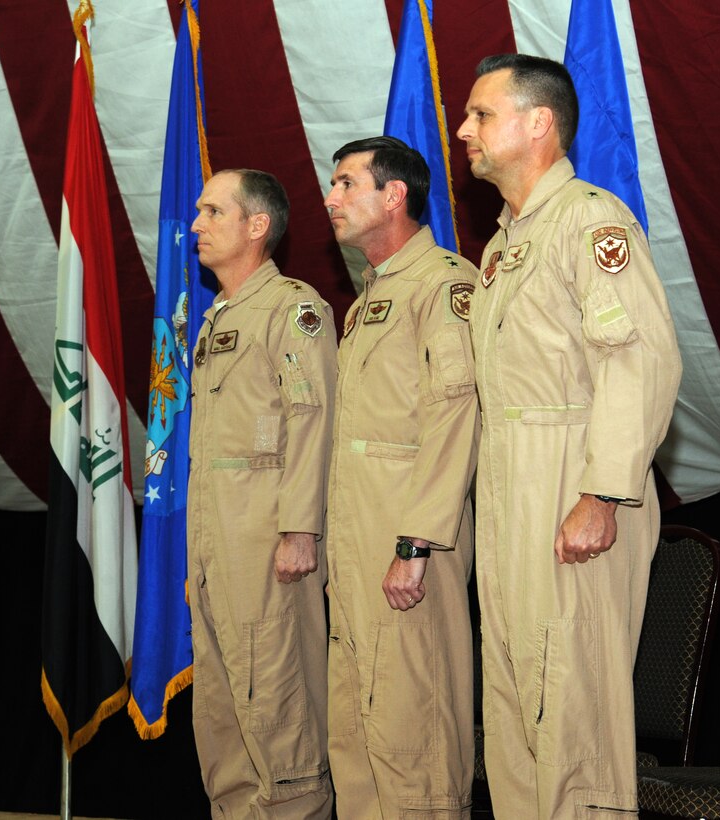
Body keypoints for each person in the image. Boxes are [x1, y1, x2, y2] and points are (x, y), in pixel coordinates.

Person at [456, 55, 682, 818]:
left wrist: (602, 492)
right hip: (510, 479)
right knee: (517, 704)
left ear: (538, 123)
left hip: (570, 476)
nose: (464, 130)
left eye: (482, 114)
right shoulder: (499, 249)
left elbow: (638, 361)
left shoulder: (591, 220)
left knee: (569, 699)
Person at [322, 136, 480, 819]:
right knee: (357, 732)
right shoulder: (367, 301)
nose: (330, 199)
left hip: (410, 543)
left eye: (346, 183)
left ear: (393, 195)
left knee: (411, 726)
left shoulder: (443, 284)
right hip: (357, 541)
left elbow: (454, 416)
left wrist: (415, 544)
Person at [187, 169, 336, 818]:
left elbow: (312, 419)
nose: (195, 224)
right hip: (216, 537)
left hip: (267, 538)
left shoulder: (291, 309)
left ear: (256, 226)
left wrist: (298, 529)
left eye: (212, 211)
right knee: (222, 712)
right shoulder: (218, 316)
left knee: (276, 703)